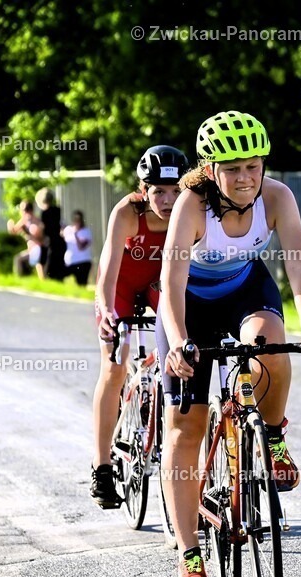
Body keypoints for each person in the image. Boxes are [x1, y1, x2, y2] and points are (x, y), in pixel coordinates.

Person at [159, 111, 301, 577]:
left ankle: (272, 436)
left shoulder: (277, 197)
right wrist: (176, 342)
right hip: (188, 306)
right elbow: (170, 282)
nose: (244, 178)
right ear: (210, 169)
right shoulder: (192, 204)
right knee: (185, 424)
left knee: (271, 344)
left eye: (253, 166)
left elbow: (300, 268)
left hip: (243, 290)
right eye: (232, 168)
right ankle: (189, 554)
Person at [90, 145, 190, 509]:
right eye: (158, 191)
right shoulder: (127, 213)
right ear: (142, 189)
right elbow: (107, 269)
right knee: (115, 366)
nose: (167, 200)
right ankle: (101, 467)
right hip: (120, 288)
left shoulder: (191, 211)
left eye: (176, 190)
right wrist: (107, 314)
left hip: (155, 287)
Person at [8, 201, 47, 278]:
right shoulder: (25, 220)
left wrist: (28, 232)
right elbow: (14, 231)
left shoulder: (34, 220)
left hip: (38, 248)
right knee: (18, 259)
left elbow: (40, 237)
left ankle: (43, 281)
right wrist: (10, 225)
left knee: (38, 264)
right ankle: (21, 280)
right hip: (32, 249)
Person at [62, 210, 93, 285]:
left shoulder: (86, 231)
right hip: (70, 262)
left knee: (81, 283)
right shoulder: (68, 229)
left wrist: (75, 234)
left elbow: (81, 247)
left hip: (83, 262)